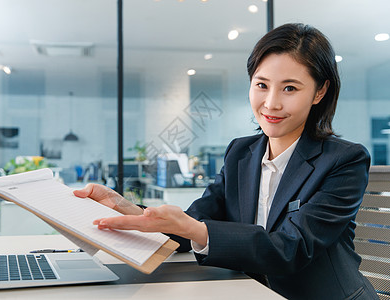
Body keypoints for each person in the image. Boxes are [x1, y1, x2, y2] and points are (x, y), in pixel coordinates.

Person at [74, 23, 378, 299]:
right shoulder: (240, 154)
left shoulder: (344, 161)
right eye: (261, 85)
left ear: (319, 91)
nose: (271, 102)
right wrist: (128, 209)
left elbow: (291, 248)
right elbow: (193, 222)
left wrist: (197, 230)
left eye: (290, 88)